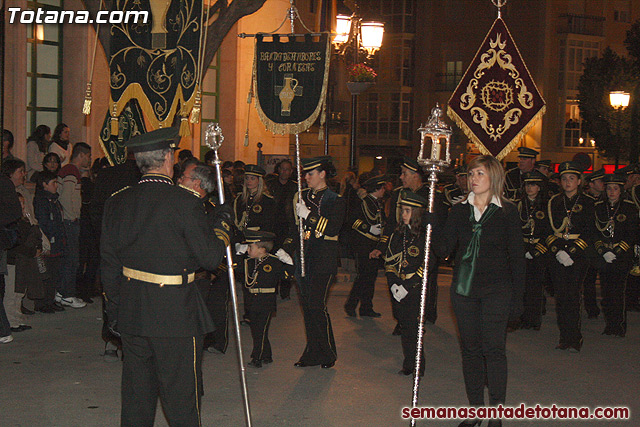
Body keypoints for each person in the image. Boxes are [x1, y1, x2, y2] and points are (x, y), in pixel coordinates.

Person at [100, 127, 231, 426]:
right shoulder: (185, 202)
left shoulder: (117, 201)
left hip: (132, 311)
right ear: (169, 158)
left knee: (136, 398)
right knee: (181, 398)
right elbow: (210, 258)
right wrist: (222, 225)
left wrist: (115, 312)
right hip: (176, 314)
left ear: (139, 162)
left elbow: (108, 265)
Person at [435, 155, 524, 427]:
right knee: (471, 350)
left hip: (497, 290)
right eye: (471, 174)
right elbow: (443, 250)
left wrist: (518, 301)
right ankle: (475, 410)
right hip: (464, 291)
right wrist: (429, 223)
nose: (473, 178)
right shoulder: (459, 210)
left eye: (479, 174)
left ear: (493, 177)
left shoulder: (508, 212)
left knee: (494, 350)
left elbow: (517, 258)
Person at [290, 156, 345, 369]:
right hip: (303, 257)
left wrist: (309, 215)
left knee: (316, 305)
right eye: (305, 173)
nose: (306, 177)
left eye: (310, 174)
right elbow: (294, 228)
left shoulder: (335, 199)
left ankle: (328, 352)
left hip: (323, 258)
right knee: (307, 307)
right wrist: (287, 251)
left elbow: (332, 229)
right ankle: (312, 352)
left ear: (322, 174)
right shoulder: (301, 196)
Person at [545, 161, 595, 352]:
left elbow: (590, 233)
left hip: (578, 256)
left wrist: (571, 252)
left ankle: (574, 337)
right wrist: (558, 251)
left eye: (571, 179)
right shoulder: (554, 202)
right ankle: (564, 337)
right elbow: (548, 231)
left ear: (579, 181)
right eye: (564, 179)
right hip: (557, 254)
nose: (567, 182)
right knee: (560, 296)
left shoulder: (588, 203)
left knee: (572, 295)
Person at [384, 190, 429, 376]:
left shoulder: (424, 236)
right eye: (402, 210)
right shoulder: (398, 235)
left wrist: (407, 286)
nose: (403, 215)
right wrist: (394, 284)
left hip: (415, 288)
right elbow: (389, 261)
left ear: (417, 213)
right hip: (398, 288)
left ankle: (417, 364)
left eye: (407, 211)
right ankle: (408, 361)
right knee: (404, 325)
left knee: (413, 327)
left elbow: (426, 265)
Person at [237, 230, 293, 368]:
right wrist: (237, 255)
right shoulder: (249, 262)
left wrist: (289, 262)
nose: (248, 250)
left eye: (251, 247)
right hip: (252, 303)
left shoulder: (274, 263)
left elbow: (288, 275)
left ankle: (257, 357)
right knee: (256, 330)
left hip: (266, 303)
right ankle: (267, 355)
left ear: (262, 249)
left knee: (260, 330)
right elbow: (236, 271)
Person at [594, 174, 639, 336]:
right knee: (606, 292)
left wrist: (618, 251)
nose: (612, 192)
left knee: (618, 292)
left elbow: (632, 234)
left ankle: (618, 326)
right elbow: (595, 233)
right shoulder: (599, 207)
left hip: (621, 256)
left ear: (621, 190)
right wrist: (603, 251)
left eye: (615, 188)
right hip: (604, 255)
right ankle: (609, 324)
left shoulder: (629, 207)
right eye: (609, 188)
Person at [344, 175, 388, 317]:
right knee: (363, 277)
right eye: (382, 188)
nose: (384, 191)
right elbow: (352, 220)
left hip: (374, 243)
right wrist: (367, 228)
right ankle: (351, 305)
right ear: (378, 188)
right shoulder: (363, 202)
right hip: (364, 244)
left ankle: (366, 308)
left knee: (370, 278)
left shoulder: (376, 203)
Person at [56, 142, 92, 309]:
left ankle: (62, 292)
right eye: (88, 156)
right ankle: (67, 294)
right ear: (82, 155)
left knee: (69, 259)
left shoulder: (71, 171)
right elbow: (66, 198)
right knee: (72, 259)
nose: (90, 159)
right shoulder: (71, 171)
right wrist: (72, 217)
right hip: (70, 222)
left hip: (69, 220)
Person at [516, 170, 551, 331]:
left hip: (539, 251)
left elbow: (549, 231)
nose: (530, 188)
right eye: (527, 185)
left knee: (535, 288)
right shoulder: (519, 204)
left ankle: (534, 320)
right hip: (522, 249)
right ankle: (521, 318)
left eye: (534, 185)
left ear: (539, 187)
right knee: (521, 287)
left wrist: (537, 250)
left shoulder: (546, 205)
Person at [33, 170, 66, 313]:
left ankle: (50, 300)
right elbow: (44, 223)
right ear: (44, 185)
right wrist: (48, 239)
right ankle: (42, 303)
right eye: (53, 183)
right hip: (48, 241)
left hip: (56, 240)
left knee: (54, 273)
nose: (56, 186)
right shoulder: (41, 201)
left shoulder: (53, 200)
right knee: (45, 273)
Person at [267, 159, 298, 300]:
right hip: (273, 226)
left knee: (287, 257)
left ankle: (285, 288)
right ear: (278, 169)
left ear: (291, 172)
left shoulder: (295, 187)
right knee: (272, 256)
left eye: (288, 169)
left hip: (289, 226)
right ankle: (272, 287)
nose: (285, 172)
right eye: (283, 169)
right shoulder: (271, 185)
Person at [582, 168, 605, 319]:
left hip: (604, 245)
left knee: (606, 279)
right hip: (589, 246)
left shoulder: (607, 199)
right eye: (600, 181)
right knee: (589, 279)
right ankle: (591, 308)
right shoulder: (584, 201)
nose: (603, 184)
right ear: (591, 183)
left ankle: (607, 306)